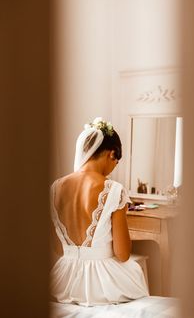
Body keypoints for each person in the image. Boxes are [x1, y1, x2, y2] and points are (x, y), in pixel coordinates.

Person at [50, 117, 149, 306]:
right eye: (116, 162)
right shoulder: (113, 190)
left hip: (64, 281)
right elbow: (122, 254)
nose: (112, 170)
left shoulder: (55, 188)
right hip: (103, 285)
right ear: (112, 154)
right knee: (135, 271)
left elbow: (57, 249)